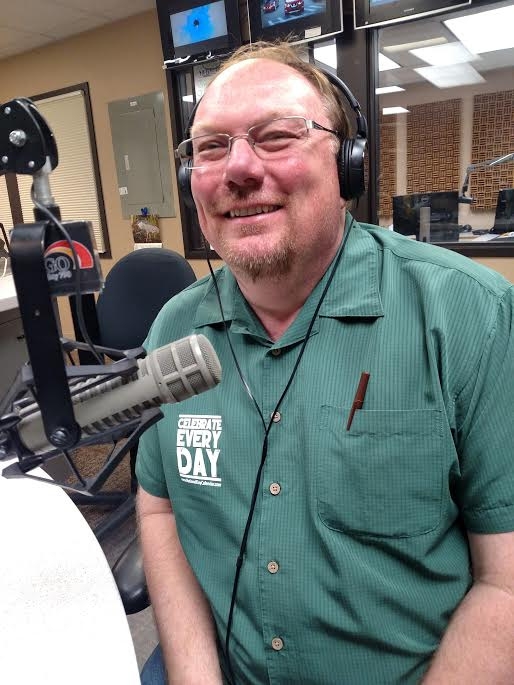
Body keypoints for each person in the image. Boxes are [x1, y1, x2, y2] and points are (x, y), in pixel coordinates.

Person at [136, 41, 514, 685]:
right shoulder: (174, 331)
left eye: (276, 136)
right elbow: (160, 507)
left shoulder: (470, 315)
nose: (239, 168)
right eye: (211, 147)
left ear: (348, 166)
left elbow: (504, 581)